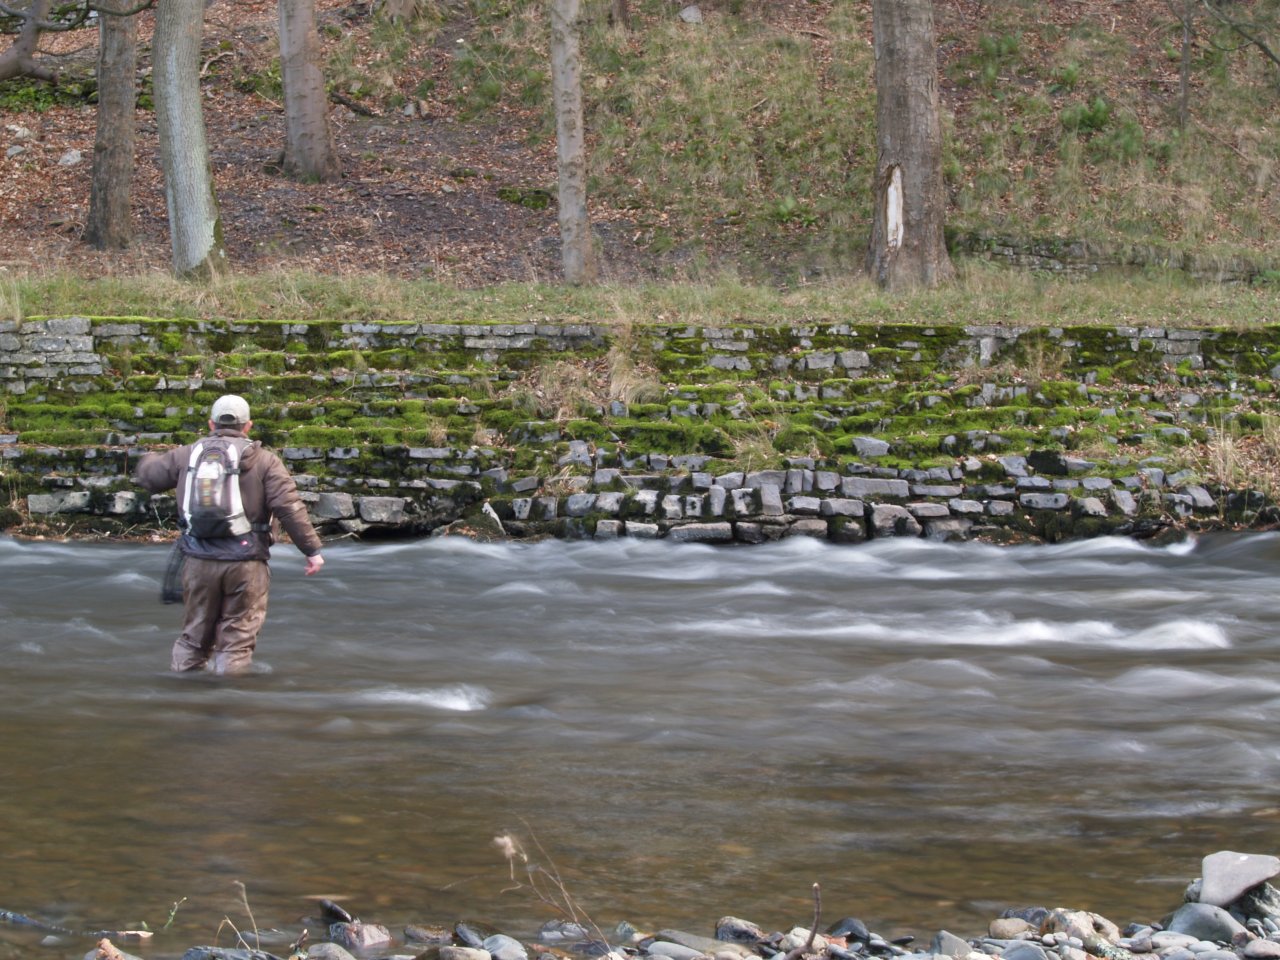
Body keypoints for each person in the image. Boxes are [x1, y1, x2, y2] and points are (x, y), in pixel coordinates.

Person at [135, 394, 325, 674]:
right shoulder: (265, 461)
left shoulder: (187, 454)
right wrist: (312, 551)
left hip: (197, 560)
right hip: (246, 563)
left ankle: (182, 701)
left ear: (211, 423)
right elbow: (288, 507)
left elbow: (148, 476)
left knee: (193, 638)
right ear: (248, 426)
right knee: (236, 641)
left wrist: (146, 456)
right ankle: (230, 706)